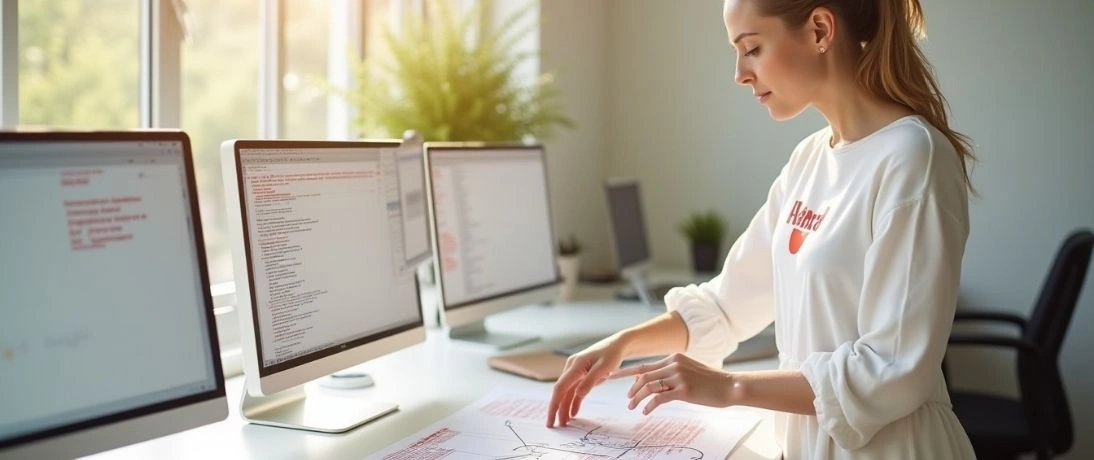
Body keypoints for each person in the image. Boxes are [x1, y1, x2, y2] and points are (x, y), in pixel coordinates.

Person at [546, 0, 978, 457]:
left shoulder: (913, 157)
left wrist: (728, 386)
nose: (740, 73)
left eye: (751, 48)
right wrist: (623, 343)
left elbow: (892, 371)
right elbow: (727, 304)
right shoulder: (810, 160)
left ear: (818, 30)